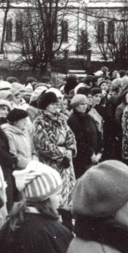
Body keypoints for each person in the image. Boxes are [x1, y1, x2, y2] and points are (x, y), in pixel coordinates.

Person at [32, 91, 78, 224]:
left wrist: (70, 150)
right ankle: (57, 221)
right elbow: (42, 143)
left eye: (56, 103)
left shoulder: (61, 119)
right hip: (52, 162)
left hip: (66, 161)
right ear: (45, 105)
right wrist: (60, 156)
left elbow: (70, 136)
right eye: (52, 104)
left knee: (68, 190)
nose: (55, 106)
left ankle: (68, 221)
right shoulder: (39, 121)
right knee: (56, 190)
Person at [66, 94, 102, 179]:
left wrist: (99, 152)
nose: (84, 106)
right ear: (75, 106)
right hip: (82, 159)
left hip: (95, 157)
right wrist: (91, 153)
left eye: (86, 104)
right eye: (82, 104)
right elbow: (78, 140)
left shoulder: (89, 117)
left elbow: (98, 134)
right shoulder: (72, 120)